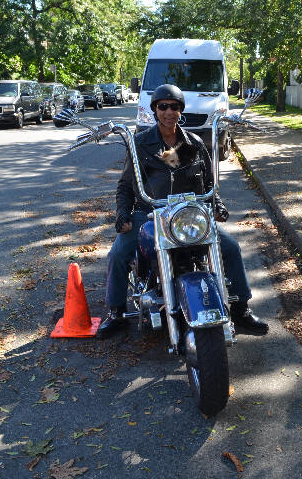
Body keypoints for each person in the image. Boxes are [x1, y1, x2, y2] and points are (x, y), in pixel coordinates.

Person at [98, 84, 269, 339]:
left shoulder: (194, 143)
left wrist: (217, 205)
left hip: (189, 214)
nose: (168, 111)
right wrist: (123, 214)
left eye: (174, 106)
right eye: (163, 106)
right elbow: (125, 185)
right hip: (150, 214)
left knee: (231, 248)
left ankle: (241, 308)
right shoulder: (141, 143)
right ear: (155, 110)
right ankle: (116, 312)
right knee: (119, 253)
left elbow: (210, 185)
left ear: (181, 111)